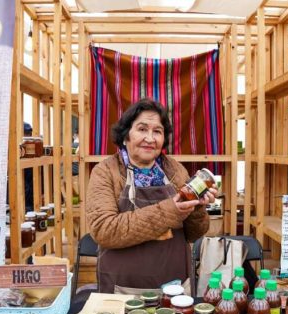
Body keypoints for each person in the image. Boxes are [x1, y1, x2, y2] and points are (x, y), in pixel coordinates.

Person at [86, 98, 218, 294]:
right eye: (142, 129)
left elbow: (193, 234)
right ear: (125, 135)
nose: (150, 138)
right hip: (122, 289)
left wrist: (197, 207)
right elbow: (104, 230)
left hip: (174, 287)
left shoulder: (175, 170)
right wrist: (169, 211)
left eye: (157, 131)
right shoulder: (106, 171)